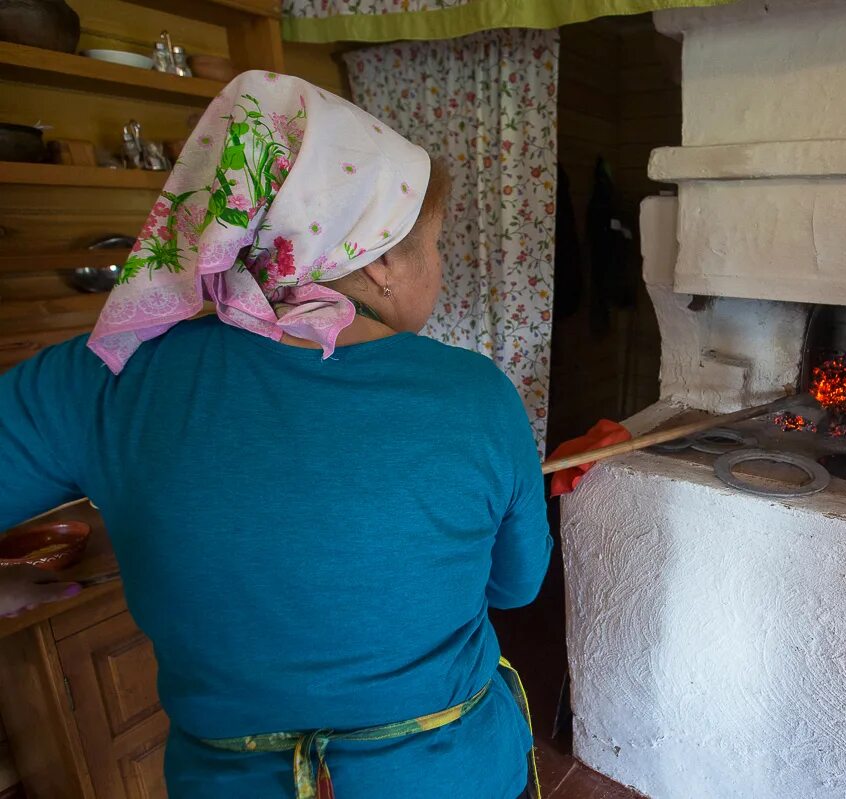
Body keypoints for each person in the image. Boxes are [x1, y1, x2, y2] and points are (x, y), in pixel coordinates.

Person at [0, 71, 551, 799]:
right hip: (449, 777)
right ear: (381, 257)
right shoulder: (477, 395)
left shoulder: (109, 373)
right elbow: (516, 584)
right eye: (438, 244)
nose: (441, 266)